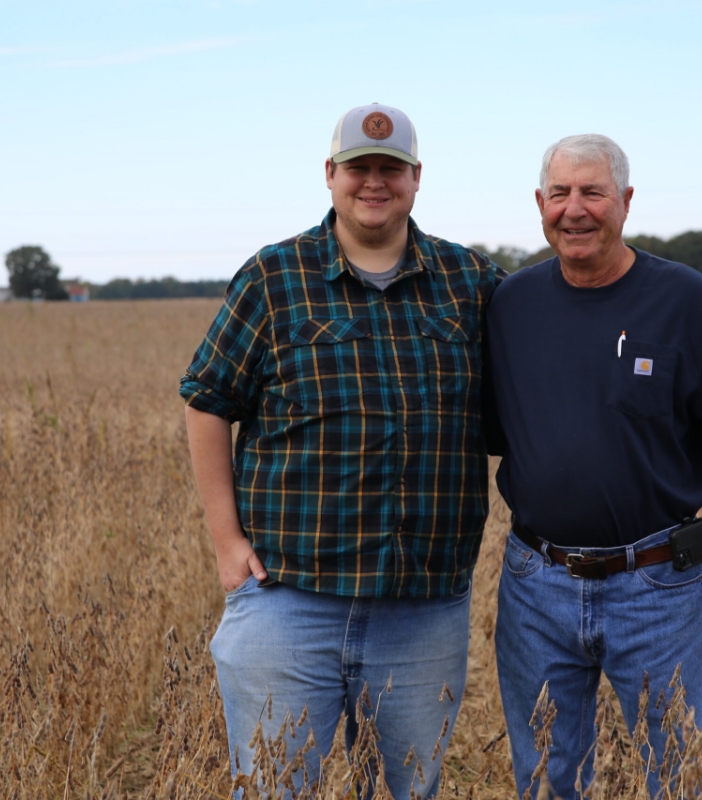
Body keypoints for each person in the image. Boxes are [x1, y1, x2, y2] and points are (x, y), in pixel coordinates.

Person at [179, 103, 501, 798]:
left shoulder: (469, 280)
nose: (374, 183)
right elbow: (207, 399)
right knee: (273, 789)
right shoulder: (275, 277)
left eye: (391, 169)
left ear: (417, 178)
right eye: (359, 168)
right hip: (289, 599)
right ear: (330, 175)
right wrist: (225, 541)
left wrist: (671, 301)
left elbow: (557, 336)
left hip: (423, 606)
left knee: (410, 790)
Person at [482, 134, 702, 798]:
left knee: (684, 777)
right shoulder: (510, 305)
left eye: (592, 191)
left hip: (659, 588)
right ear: (539, 203)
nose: (575, 209)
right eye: (559, 193)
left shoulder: (682, 298)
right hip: (537, 584)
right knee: (545, 778)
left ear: (625, 200)